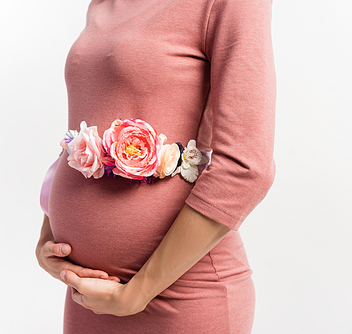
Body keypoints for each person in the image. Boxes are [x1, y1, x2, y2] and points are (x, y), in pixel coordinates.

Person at [36, 0, 276, 332]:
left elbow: (245, 167)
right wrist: (50, 232)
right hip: (90, 298)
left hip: (182, 298)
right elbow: (83, 127)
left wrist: (139, 291)